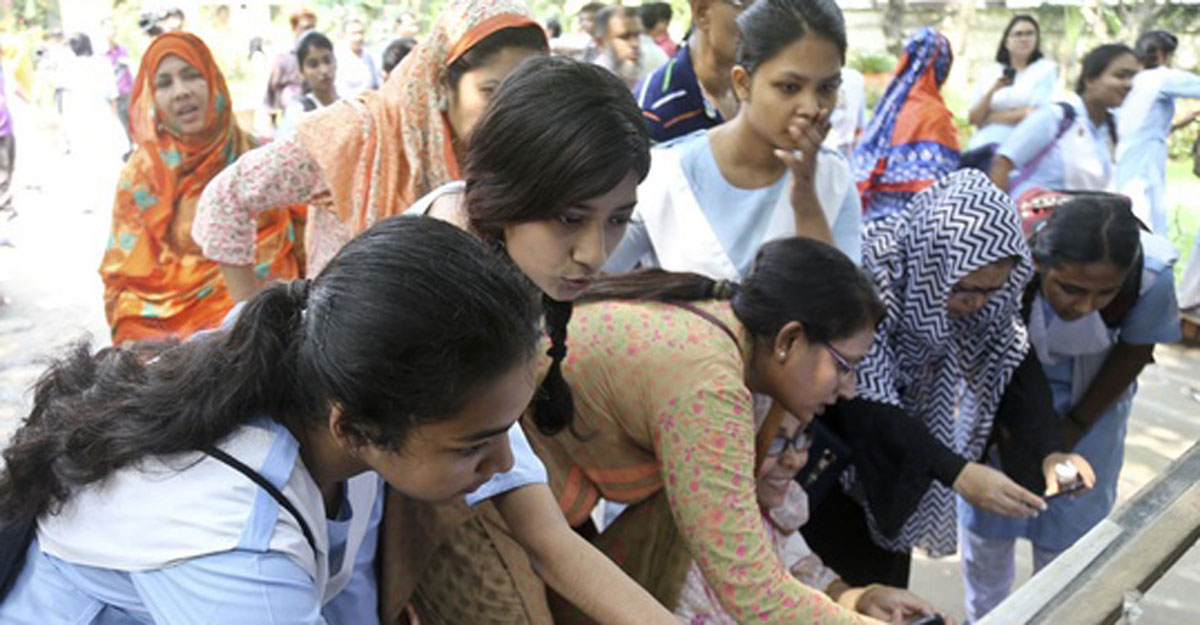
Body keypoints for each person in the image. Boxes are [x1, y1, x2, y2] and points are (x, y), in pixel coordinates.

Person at [0, 216, 545, 625]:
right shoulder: (241, 546)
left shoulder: (309, 366)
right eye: (474, 446)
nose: (501, 463)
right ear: (354, 429)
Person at [385, 54, 676, 625]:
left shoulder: (483, 231)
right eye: (570, 218)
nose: (595, 252)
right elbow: (546, 541)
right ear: (508, 190)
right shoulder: (450, 289)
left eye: (618, 219)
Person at [525, 238, 887, 623]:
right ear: (790, 340)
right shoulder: (709, 389)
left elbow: (761, 543)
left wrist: (849, 597)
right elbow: (756, 594)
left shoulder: (724, 335)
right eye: (845, 365)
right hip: (490, 499)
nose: (849, 389)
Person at [800, 170, 1094, 589]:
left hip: (895, 473)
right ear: (934, 265)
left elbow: (1011, 359)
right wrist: (957, 471)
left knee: (882, 595)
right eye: (966, 289)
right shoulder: (870, 272)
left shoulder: (977, 294)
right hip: (825, 463)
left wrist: (1050, 451)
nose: (977, 304)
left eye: (992, 291)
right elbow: (864, 399)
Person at [193, 0, 549, 298]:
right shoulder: (354, 134)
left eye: (524, 94)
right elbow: (225, 198)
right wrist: (251, 318)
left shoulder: (518, 152)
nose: (509, 110)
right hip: (350, 357)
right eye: (491, 91)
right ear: (443, 81)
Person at [959, 193, 1181, 622]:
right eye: (1071, 288)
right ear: (1040, 264)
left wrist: (1072, 429)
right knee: (988, 530)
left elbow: (1133, 354)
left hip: (1094, 408)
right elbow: (986, 350)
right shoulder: (1005, 264)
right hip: (1001, 399)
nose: (1083, 306)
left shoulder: (1151, 278)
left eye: (1105, 294)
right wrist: (1026, 436)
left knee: (1071, 544)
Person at [610, 0, 862, 277]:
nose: (812, 107)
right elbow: (590, 275)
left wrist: (807, 205)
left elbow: (841, 311)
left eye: (827, 88)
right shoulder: (665, 176)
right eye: (789, 87)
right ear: (742, 83)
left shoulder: (832, 180)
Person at [98, 32, 303, 345]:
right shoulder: (141, 176)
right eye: (165, 83)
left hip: (271, 329)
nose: (180, 92)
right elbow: (125, 282)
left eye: (192, 76)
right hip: (176, 344)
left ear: (213, 81)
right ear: (153, 97)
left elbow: (305, 247)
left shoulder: (258, 158)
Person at [675, 412, 950, 624]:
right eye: (777, 442)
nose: (795, 460)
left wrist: (863, 599)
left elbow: (813, 581)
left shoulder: (770, 516)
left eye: (803, 437)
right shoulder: (684, 556)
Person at [990, 44, 1138, 200]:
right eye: (1121, 76)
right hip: (1032, 218)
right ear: (1090, 79)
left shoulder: (1112, 129)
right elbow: (1004, 162)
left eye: (1133, 77)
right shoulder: (1057, 116)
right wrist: (998, 216)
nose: (1128, 84)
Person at [855, 28, 960, 221]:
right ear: (942, 66)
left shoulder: (887, 109)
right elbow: (939, 190)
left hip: (870, 225)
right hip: (914, 229)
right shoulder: (933, 113)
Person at [1116, 30, 1200, 234]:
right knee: (1149, 220)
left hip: (1119, 158)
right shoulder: (1162, 78)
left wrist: (1185, 120)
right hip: (1146, 159)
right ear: (1164, 55)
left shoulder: (1126, 80)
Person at [635, 0, 743, 143]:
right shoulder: (655, 110)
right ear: (701, 13)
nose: (762, 17)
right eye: (747, 4)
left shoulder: (764, 87)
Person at [964, 15, 1058, 161]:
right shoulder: (990, 72)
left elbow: (1036, 113)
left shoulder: (1045, 70)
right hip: (983, 143)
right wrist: (993, 90)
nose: (1024, 39)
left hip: (1022, 143)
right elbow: (974, 118)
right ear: (1006, 41)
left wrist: (990, 117)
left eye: (1030, 33)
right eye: (1018, 34)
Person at [62, 32, 124, 213]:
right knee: (107, 156)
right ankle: (115, 197)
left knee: (84, 158)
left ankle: (89, 200)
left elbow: (66, 94)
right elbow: (112, 93)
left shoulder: (69, 67)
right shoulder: (102, 64)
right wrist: (113, 116)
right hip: (100, 113)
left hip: (79, 115)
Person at [276, 31, 338, 139]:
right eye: (313, 65)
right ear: (302, 71)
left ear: (335, 62)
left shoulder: (350, 104)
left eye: (327, 61)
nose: (324, 70)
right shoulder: (298, 114)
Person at [264, 7, 317, 127]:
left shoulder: (319, 55)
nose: (309, 33)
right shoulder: (285, 56)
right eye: (305, 28)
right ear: (295, 28)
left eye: (312, 28)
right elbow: (272, 88)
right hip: (291, 115)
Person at [592, 6, 648, 88]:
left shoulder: (648, 72)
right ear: (600, 42)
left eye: (637, 35)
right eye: (624, 37)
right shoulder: (592, 84)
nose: (635, 44)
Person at [101, 18, 135, 152]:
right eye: (108, 28)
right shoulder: (101, 54)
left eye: (113, 27)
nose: (112, 31)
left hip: (127, 91)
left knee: (133, 125)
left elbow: (130, 70)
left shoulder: (122, 49)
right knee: (120, 127)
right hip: (113, 97)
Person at [824, 66, 866, 160]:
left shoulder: (820, 75)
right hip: (845, 144)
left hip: (828, 146)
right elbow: (860, 125)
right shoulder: (856, 77)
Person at [336, 18, 381, 98]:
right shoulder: (338, 57)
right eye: (354, 34)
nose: (358, 37)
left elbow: (376, 83)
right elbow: (339, 90)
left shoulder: (370, 55)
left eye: (361, 33)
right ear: (344, 35)